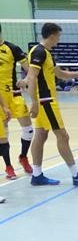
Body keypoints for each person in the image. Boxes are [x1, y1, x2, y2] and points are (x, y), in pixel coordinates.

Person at [22, 22, 78, 187]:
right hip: (46, 101)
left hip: (46, 100)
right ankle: (76, 175)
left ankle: (36, 175)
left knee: (41, 136)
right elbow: (32, 77)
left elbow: (61, 74)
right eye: (58, 36)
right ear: (52, 36)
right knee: (63, 136)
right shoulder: (39, 52)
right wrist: (34, 102)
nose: (59, 39)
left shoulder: (46, 53)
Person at [0, 24, 34, 178]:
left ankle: (23, 157)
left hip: (14, 94)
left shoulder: (12, 48)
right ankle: (8, 166)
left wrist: (25, 80)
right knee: (3, 134)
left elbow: (30, 70)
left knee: (28, 129)